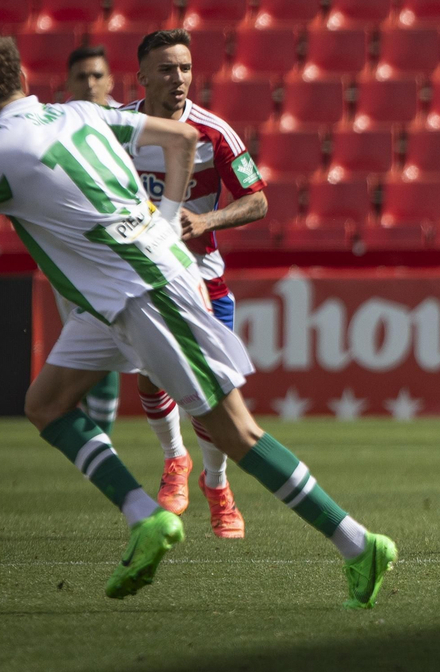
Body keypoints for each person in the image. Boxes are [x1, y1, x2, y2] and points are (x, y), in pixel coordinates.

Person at [0, 36, 395, 608]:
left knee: (235, 432)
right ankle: (143, 518)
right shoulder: (82, 112)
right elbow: (182, 137)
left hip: (144, 289)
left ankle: (358, 543)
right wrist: (170, 218)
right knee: (45, 404)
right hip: (112, 296)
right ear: (23, 77)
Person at [121, 29, 269, 540]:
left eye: (184, 68)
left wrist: (209, 221)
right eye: (165, 69)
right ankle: (174, 459)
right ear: (142, 76)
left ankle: (218, 485)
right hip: (140, 277)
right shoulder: (119, 128)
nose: (178, 78)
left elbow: (259, 199)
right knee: (147, 376)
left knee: (208, 395)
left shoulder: (214, 132)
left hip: (201, 278)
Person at [63, 44, 123, 434]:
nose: (90, 83)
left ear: (111, 80)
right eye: (82, 76)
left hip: (122, 251)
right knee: (91, 348)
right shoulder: (54, 124)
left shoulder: (128, 121)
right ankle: (103, 437)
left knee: (108, 342)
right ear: (68, 83)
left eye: (97, 75)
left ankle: (104, 440)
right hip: (72, 251)